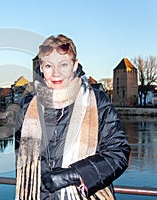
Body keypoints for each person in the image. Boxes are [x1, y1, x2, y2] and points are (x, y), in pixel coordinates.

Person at [15, 34, 131, 200]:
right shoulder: (28, 105)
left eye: (63, 65)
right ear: (41, 68)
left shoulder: (97, 101)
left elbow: (118, 153)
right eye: (49, 66)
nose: (56, 73)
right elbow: (22, 160)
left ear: (74, 65)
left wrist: (73, 174)